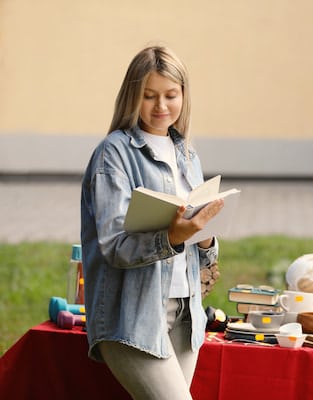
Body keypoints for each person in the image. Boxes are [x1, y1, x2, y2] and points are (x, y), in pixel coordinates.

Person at [80, 45, 224, 400]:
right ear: (133, 96)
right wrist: (173, 236)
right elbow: (114, 246)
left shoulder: (188, 155)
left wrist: (205, 241)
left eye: (170, 95)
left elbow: (196, 249)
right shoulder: (113, 153)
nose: (161, 107)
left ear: (183, 96)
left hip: (185, 313)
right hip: (133, 316)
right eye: (149, 96)